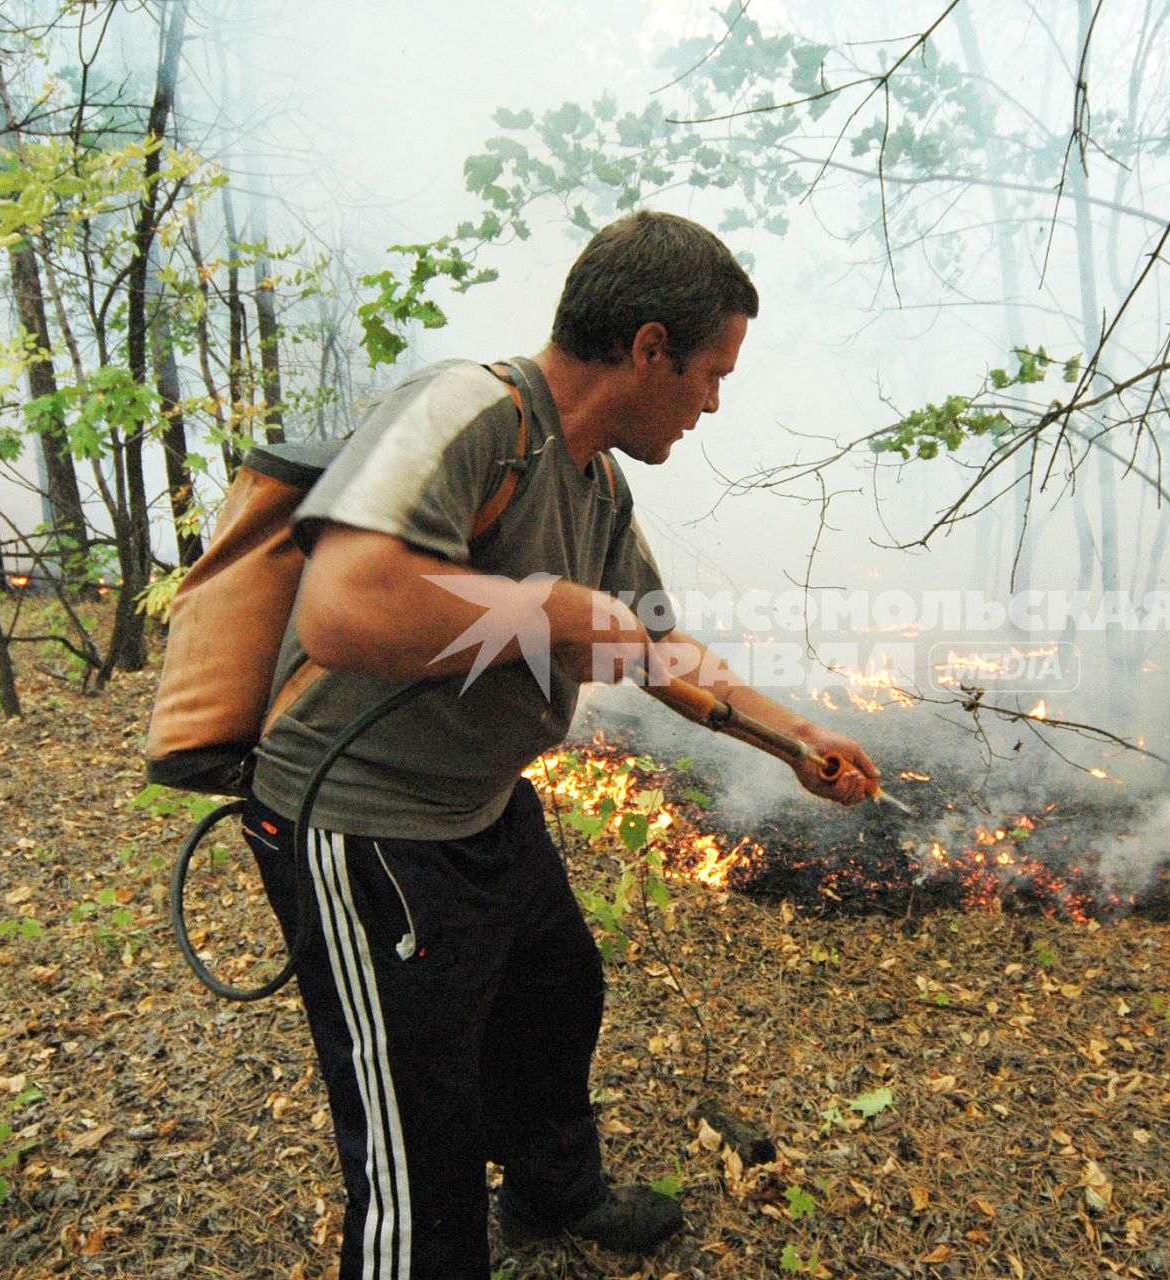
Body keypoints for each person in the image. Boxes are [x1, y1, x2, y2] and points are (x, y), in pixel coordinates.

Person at [239, 210, 879, 1280]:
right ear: (647, 349)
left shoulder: (593, 479)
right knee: (417, 1123)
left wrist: (795, 736)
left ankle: (551, 1193)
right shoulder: (469, 412)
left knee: (555, 989)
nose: (716, 400)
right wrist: (553, 612)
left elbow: (654, 646)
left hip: (482, 801)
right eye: (713, 372)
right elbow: (344, 611)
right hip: (366, 824)